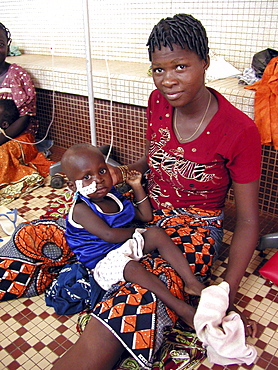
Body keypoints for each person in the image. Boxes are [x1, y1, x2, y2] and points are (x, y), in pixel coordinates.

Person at [52, 14, 261, 370]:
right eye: (158, 70)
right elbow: (156, 156)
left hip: (194, 224)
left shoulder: (239, 131)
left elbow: (248, 221)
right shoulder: (158, 102)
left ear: (205, 63)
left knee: (141, 295)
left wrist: (227, 288)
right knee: (51, 232)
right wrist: (115, 175)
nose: (168, 80)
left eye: (180, 66)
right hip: (141, 208)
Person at [61, 143, 205, 328]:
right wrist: (136, 233)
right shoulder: (81, 209)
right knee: (131, 268)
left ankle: (191, 282)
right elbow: (109, 235)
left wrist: (136, 186)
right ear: (74, 186)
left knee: (157, 233)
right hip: (102, 260)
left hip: (121, 245)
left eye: (102, 171)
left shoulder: (111, 195)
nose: (98, 180)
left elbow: (146, 216)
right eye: (87, 177)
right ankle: (180, 308)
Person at [0, 22, 53, 205]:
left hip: (18, 136)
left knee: (2, 154)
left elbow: (25, 117)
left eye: (0, 44)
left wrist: (2, 137)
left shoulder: (17, 75)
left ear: (8, 46)